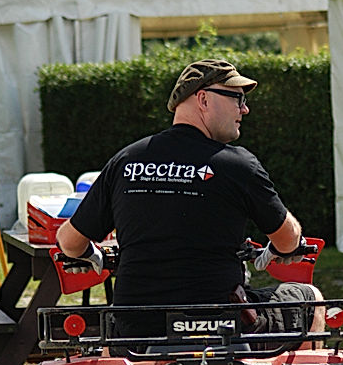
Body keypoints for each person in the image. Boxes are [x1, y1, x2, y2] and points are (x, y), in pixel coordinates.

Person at [56, 57, 324, 343]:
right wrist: (281, 249)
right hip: (224, 325)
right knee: (311, 299)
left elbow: (69, 242)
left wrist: (92, 254)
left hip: (137, 328)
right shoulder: (238, 165)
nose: (245, 109)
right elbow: (288, 240)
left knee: (112, 340)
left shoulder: (126, 161)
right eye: (237, 98)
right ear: (204, 99)